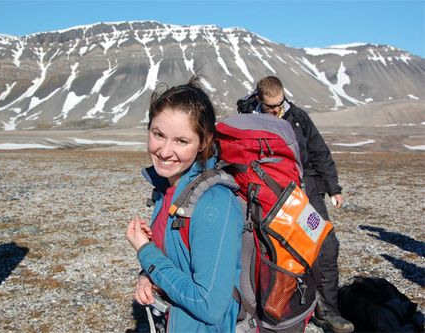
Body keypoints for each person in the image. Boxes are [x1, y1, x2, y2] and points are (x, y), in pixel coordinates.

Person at [126, 76, 244, 332]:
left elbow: (208, 304)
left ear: (204, 142)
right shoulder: (169, 188)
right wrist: (147, 276)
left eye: (181, 141)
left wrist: (146, 253)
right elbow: (177, 262)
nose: (165, 151)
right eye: (158, 134)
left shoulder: (214, 204)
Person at [254, 76, 354, 333]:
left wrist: (333, 188)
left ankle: (327, 310)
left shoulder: (298, 117)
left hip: (306, 189)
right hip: (269, 192)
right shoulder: (249, 119)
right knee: (274, 250)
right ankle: (279, 309)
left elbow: (320, 152)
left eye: (280, 104)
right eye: (271, 107)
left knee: (326, 245)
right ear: (259, 100)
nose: (277, 110)